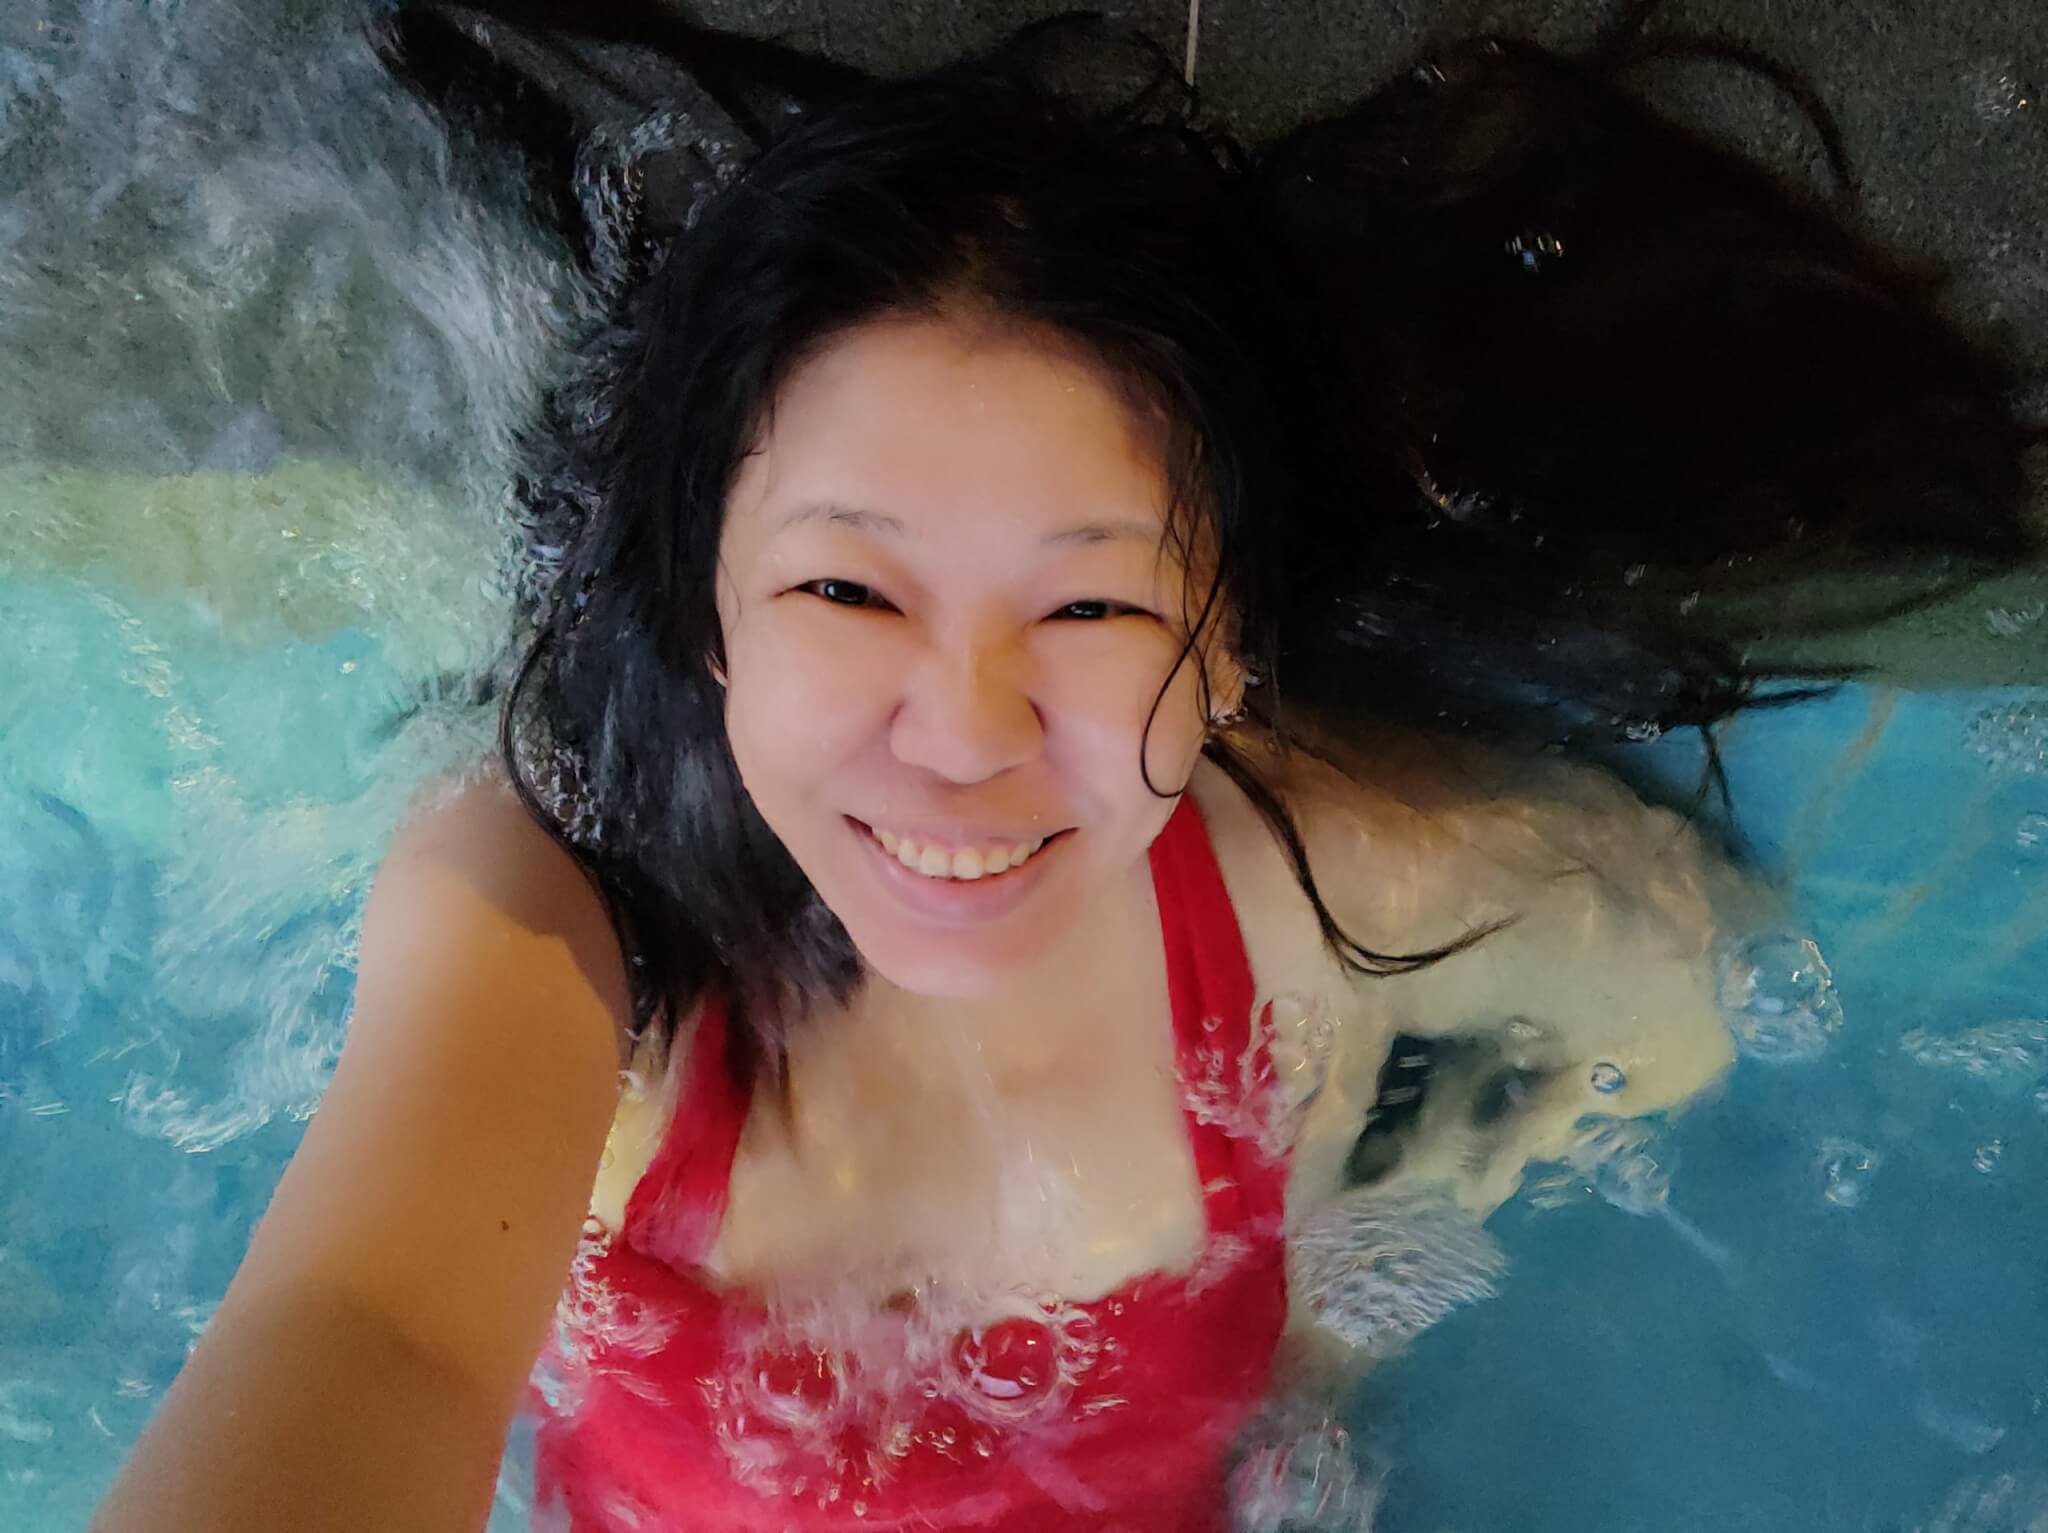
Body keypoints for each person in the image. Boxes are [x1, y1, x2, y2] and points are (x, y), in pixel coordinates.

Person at [91, 9, 2040, 1532]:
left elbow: (1679, 976)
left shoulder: (1333, 892)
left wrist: (1353, 1300)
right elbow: (374, 1331)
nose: (963, 735)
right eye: (849, 585)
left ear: (1232, 646)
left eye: (1093, 605)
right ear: (702, 603)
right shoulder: (548, 935)